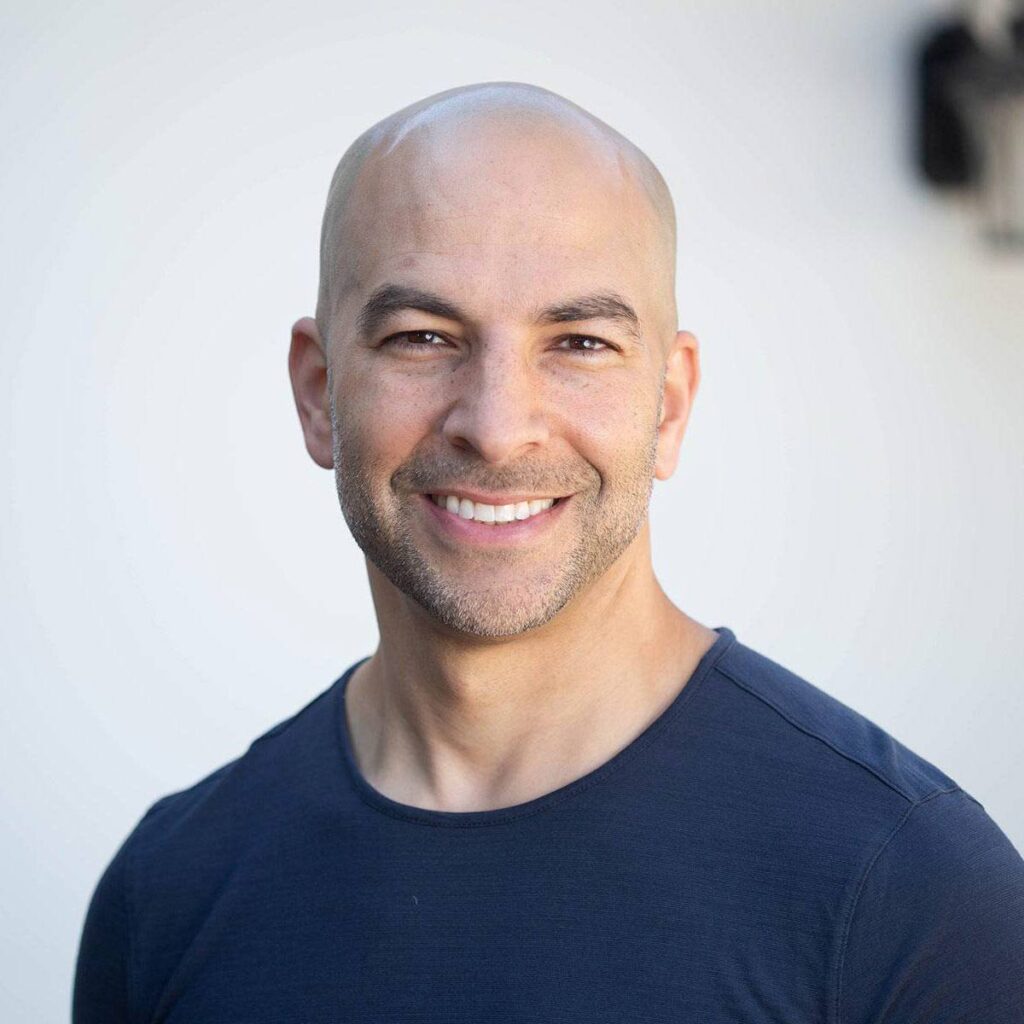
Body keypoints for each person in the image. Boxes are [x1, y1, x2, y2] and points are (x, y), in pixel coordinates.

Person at [73, 81, 1024, 1022]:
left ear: (670, 404)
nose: (496, 428)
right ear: (320, 393)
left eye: (576, 342)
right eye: (422, 337)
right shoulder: (167, 893)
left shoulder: (913, 891)